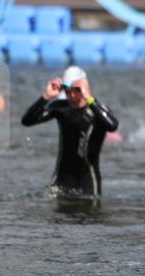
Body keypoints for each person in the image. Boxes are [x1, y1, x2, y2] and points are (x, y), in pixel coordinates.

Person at [21, 66, 119, 197]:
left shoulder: (97, 110)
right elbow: (27, 121)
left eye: (76, 91)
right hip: (61, 180)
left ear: (84, 89)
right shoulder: (60, 107)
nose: (72, 96)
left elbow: (112, 126)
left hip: (88, 183)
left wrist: (89, 98)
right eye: (67, 92)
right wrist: (46, 97)